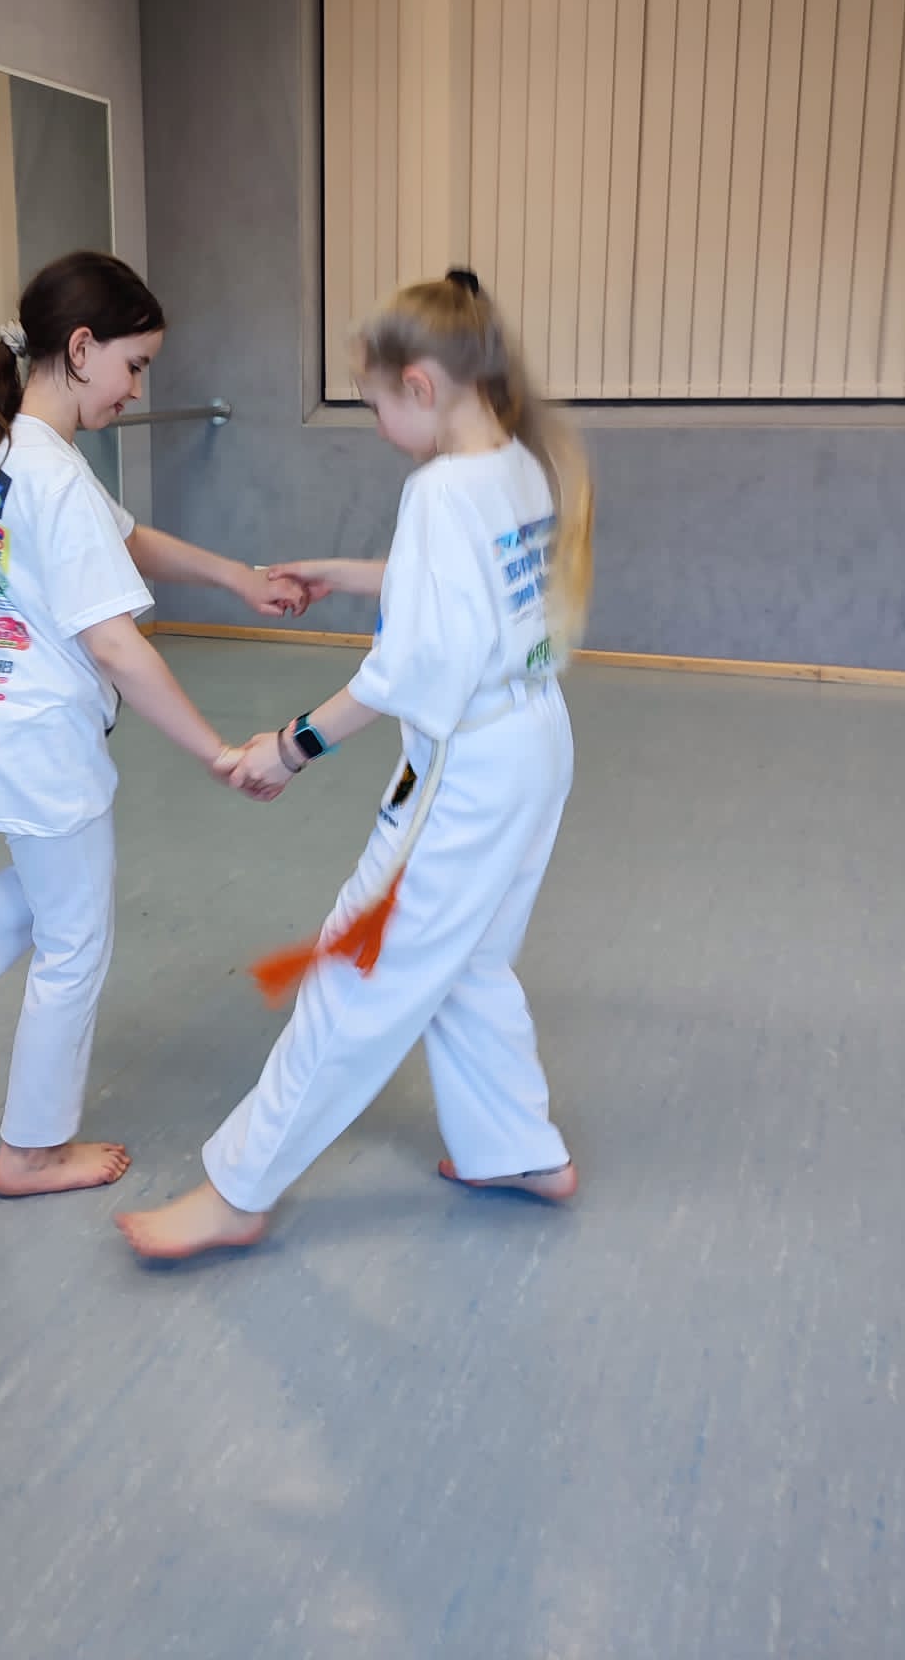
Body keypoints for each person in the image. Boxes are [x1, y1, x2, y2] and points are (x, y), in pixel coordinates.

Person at [115, 267, 594, 1259]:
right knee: (467, 959)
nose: (377, 424)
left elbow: (410, 667)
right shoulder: (518, 462)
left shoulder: (439, 489)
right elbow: (466, 589)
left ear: (421, 384)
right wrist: (346, 574)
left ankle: (240, 1189)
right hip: (535, 742)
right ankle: (517, 1149)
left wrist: (291, 746)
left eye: (375, 404)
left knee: (356, 963)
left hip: (467, 768)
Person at [0, 250, 305, 1198]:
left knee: (60, 886)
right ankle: (30, 1150)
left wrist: (235, 576)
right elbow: (115, 647)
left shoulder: (19, 449)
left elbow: (125, 539)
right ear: (80, 346)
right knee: (77, 938)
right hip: (31, 735)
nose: (135, 390)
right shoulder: (53, 475)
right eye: (133, 366)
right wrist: (215, 751)